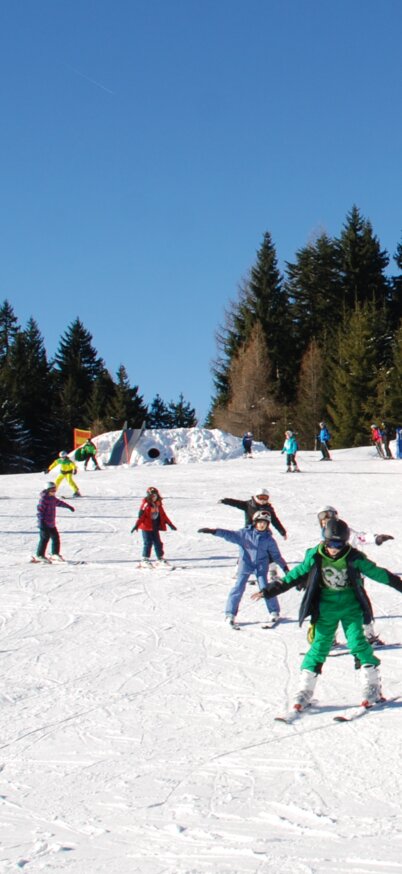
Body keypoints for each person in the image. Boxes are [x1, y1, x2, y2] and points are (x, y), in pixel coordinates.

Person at [252, 518, 402, 709]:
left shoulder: (354, 557)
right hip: (325, 608)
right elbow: (295, 574)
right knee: (319, 646)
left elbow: (379, 573)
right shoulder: (316, 556)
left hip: (350, 607)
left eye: (338, 545)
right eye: (330, 544)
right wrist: (269, 590)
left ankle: (371, 686)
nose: (334, 548)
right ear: (324, 541)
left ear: (345, 543)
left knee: (357, 642)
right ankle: (304, 690)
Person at [316, 506, 394, 645]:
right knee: (329, 609)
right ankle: (329, 639)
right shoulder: (322, 538)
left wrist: (376, 538)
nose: (326, 521)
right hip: (330, 581)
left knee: (363, 605)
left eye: (329, 518)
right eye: (323, 519)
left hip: (353, 578)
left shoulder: (345, 532)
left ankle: (369, 635)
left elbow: (360, 537)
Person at [198, 510, 289, 627]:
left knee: (265, 587)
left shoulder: (269, 539)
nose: (262, 525)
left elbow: (276, 556)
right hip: (246, 564)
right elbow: (229, 534)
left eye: (265, 523)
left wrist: (285, 568)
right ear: (255, 522)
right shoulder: (244, 534)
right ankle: (230, 614)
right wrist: (214, 531)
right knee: (239, 586)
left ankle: (274, 611)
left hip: (261, 565)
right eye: (260, 522)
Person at [131, 486, 177, 566]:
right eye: (152, 496)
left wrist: (170, 524)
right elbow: (141, 517)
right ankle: (145, 559)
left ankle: (160, 558)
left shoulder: (158, 504)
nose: (154, 497)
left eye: (155, 495)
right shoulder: (146, 504)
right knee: (148, 542)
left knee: (158, 542)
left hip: (155, 526)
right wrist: (136, 525)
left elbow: (163, 515)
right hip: (146, 526)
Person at [218, 489, 287, 539]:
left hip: (263, 531)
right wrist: (225, 501)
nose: (263, 500)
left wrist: (282, 532)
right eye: (260, 497)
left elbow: (275, 521)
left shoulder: (269, 509)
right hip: (250, 531)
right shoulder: (248, 505)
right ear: (255, 497)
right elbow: (236, 503)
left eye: (265, 498)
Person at [32, 482, 75, 563]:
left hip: (51, 523)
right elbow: (40, 511)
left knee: (55, 538)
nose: (54, 491)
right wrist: (41, 521)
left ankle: (55, 554)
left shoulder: (52, 498)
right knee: (44, 538)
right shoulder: (44, 499)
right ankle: (39, 555)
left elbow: (59, 503)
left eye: (55, 489)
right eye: (52, 490)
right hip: (44, 523)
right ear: (47, 490)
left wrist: (69, 507)